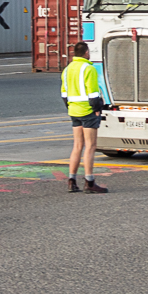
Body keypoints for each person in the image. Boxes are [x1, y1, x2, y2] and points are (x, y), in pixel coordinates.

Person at [61, 40, 108, 193]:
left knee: (77, 146)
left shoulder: (67, 69)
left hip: (74, 111)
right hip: (87, 111)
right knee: (90, 146)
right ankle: (89, 182)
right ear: (86, 53)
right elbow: (93, 94)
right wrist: (97, 109)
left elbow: (64, 94)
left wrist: (71, 107)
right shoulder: (89, 69)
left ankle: (72, 181)